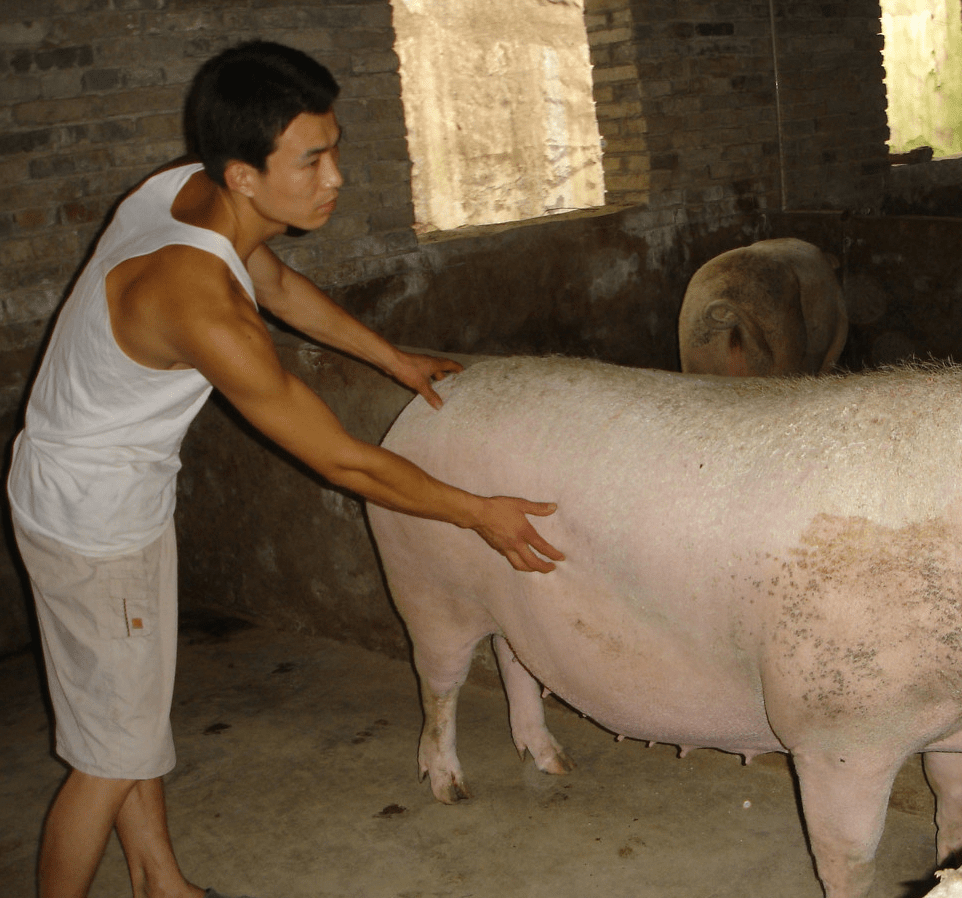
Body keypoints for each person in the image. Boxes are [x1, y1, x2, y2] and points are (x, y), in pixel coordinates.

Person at [7, 40, 564, 898]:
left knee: (123, 713)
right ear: (243, 174)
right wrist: (477, 510)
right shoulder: (198, 303)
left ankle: (163, 883)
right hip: (95, 526)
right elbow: (344, 460)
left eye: (333, 147)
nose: (335, 176)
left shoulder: (183, 191)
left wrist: (394, 360)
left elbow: (280, 286)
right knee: (106, 754)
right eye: (312, 159)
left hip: (91, 490)